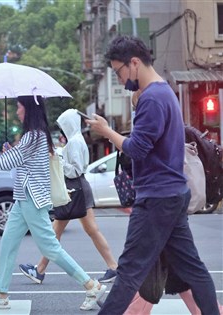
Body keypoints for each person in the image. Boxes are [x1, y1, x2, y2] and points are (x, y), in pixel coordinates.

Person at [86, 34, 219, 315]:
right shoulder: (162, 93)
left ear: (134, 63)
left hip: (157, 197)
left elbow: (137, 149)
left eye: (118, 71)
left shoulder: (153, 99)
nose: (120, 80)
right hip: (171, 193)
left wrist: (107, 131)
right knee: (193, 269)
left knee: (129, 272)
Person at [0, 96, 106, 311]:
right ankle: (1, 294)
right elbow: (17, 163)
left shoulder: (33, 137)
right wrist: (13, 152)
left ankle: (91, 285)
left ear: (28, 110)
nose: (17, 112)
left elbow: (5, 163)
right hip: (23, 198)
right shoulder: (36, 137)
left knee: (50, 248)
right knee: (8, 244)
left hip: (32, 199)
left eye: (19, 108)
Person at [19, 108, 118, 284]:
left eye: (64, 125)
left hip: (74, 188)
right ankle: (113, 267)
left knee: (60, 231)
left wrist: (58, 160)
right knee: (75, 230)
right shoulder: (76, 140)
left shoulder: (74, 142)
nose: (62, 129)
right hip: (78, 188)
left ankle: (40, 270)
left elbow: (75, 170)